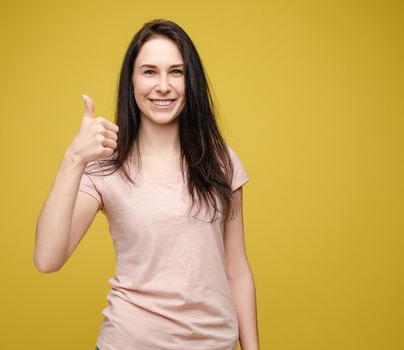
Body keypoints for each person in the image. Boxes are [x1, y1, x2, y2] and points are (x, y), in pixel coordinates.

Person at [35, 19, 260, 350]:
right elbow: (47, 258)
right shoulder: (105, 166)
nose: (163, 85)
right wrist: (74, 159)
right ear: (132, 81)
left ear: (191, 81)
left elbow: (237, 270)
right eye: (150, 72)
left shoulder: (220, 160)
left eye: (176, 72)